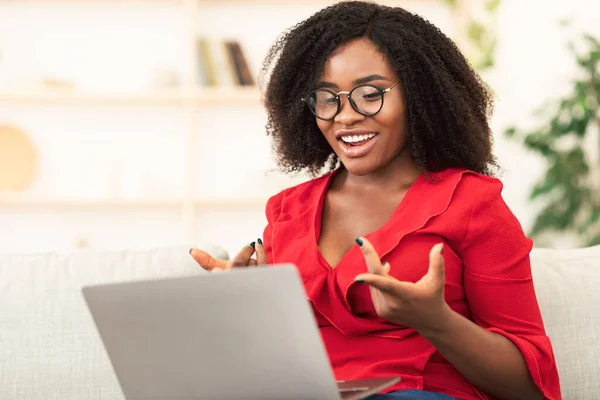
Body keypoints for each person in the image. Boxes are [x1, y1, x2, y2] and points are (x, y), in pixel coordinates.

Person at [190, 1, 562, 399]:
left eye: (370, 94)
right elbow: (281, 362)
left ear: (419, 96)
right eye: (327, 97)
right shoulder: (287, 210)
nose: (345, 116)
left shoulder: (471, 202)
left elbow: (531, 390)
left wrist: (437, 322)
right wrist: (247, 308)